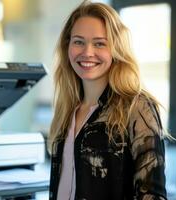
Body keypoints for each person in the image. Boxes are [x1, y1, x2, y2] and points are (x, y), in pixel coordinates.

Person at [48, 1, 167, 200]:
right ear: (67, 46)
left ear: (115, 49)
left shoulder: (137, 107)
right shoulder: (67, 109)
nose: (87, 52)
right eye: (78, 41)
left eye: (99, 43)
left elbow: (152, 195)